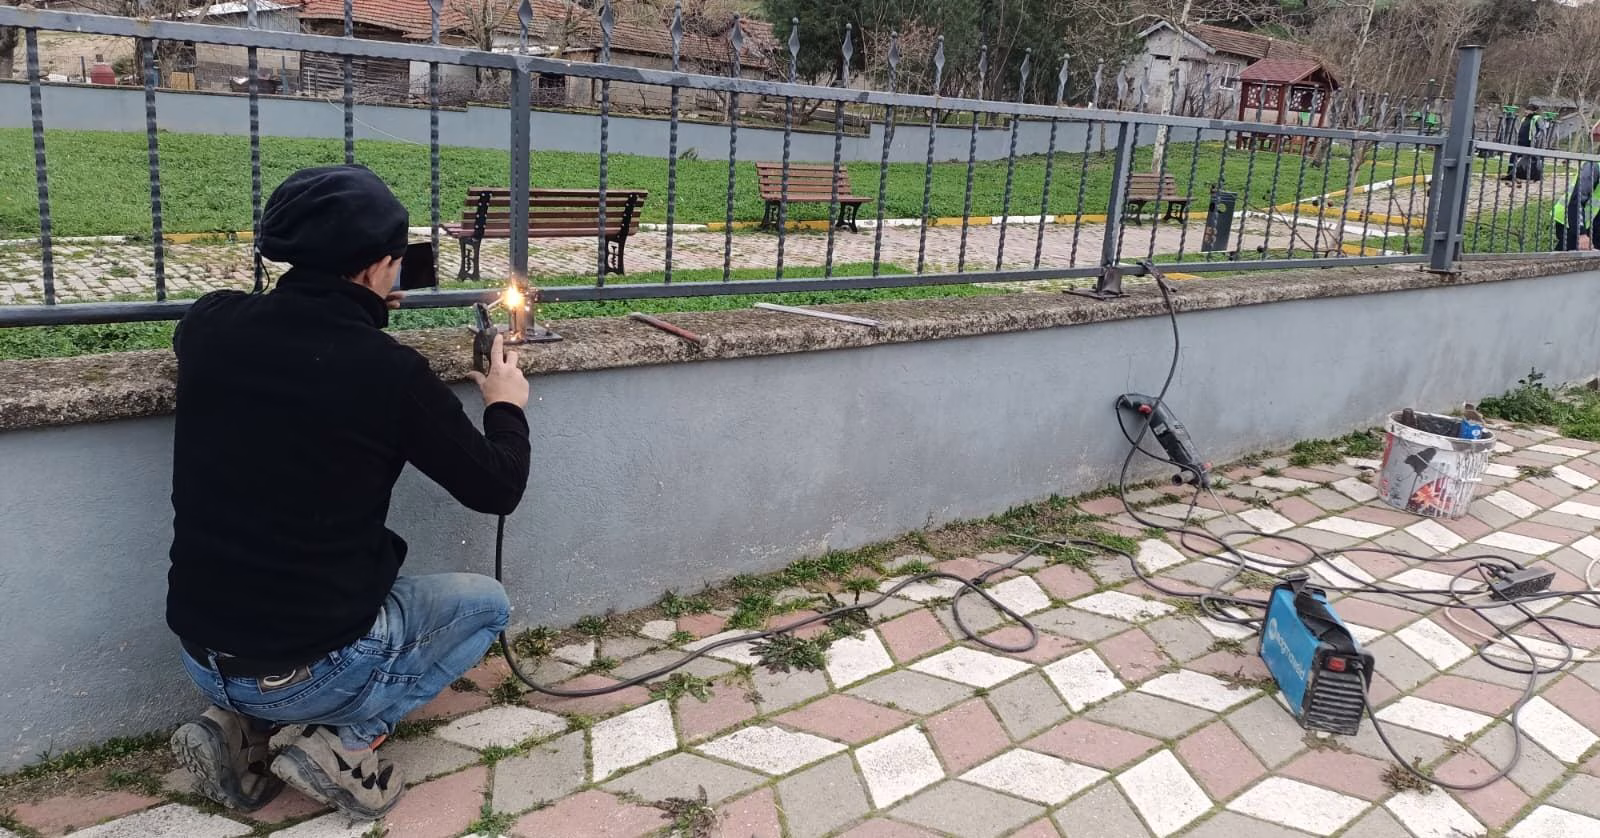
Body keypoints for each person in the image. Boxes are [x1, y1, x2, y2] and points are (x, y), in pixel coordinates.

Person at [164, 165, 532, 820]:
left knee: (286, 616)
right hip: (313, 669)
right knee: (486, 605)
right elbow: (498, 487)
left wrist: (359, 303)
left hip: (201, 653)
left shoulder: (209, 326)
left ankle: (234, 724)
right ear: (375, 267)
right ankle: (342, 742)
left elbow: (283, 335)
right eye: (396, 259)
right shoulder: (390, 373)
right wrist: (505, 405)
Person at [1554, 159, 1600, 251]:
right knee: (1568, 255)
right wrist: (1581, 234)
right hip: (1572, 220)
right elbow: (1577, 200)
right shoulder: (1594, 167)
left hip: (1593, 223)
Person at [1503, 104, 1545, 185]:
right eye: (1526, 109)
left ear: (1533, 111)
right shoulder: (1524, 118)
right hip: (1521, 141)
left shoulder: (1537, 118)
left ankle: (1536, 177)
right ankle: (1510, 174)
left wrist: (1536, 139)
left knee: (1533, 160)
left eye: (1528, 110)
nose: (1526, 111)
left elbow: (1541, 130)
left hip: (1530, 142)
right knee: (1513, 156)